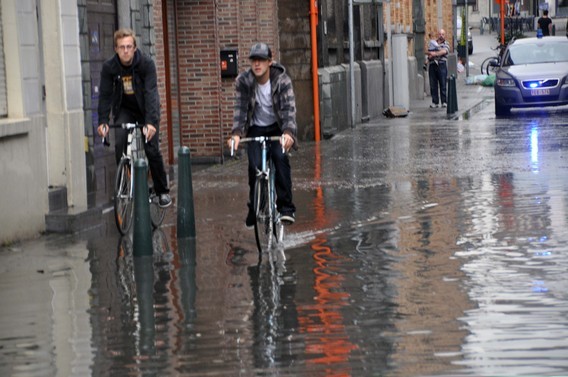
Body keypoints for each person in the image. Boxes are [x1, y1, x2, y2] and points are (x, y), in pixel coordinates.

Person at [97, 28, 171, 208]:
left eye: (129, 46)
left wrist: (151, 123)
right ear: (116, 49)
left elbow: (151, 94)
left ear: (135, 48)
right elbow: (105, 96)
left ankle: (162, 191)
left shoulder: (146, 64)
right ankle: (126, 179)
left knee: (151, 148)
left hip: (145, 109)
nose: (126, 51)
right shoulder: (109, 68)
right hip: (125, 108)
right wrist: (103, 121)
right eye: (122, 47)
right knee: (120, 142)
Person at [227, 42, 297, 227]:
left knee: (280, 158)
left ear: (270, 62)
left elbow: (289, 109)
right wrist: (236, 133)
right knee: (255, 166)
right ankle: (256, 205)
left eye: (261, 60)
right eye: (254, 60)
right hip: (256, 128)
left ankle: (286, 208)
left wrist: (288, 133)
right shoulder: (244, 82)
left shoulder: (282, 80)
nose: (257, 64)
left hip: (277, 127)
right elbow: (240, 109)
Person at [426, 29, 450, 109]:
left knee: (443, 84)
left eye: (442, 34)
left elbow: (444, 51)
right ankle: (435, 102)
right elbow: (428, 52)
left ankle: (444, 102)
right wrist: (431, 54)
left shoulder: (446, 44)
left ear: (445, 35)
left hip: (441, 65)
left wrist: (435, 53)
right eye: (439, 34)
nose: (441, 36)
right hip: (433, 65)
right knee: (433, 84)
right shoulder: (432, 43)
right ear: (437, 35)